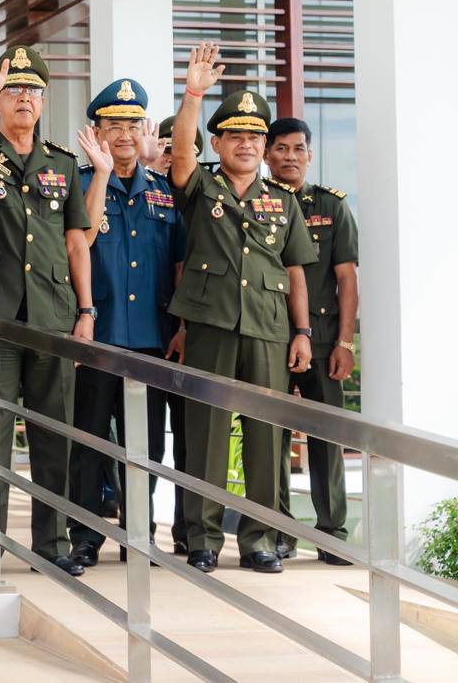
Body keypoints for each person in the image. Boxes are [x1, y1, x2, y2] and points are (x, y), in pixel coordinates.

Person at [168, 42, 317, 574]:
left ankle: (259, 540)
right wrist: (193, 95)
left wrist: (303, 332)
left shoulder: (283, 199)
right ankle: (204, 538)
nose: (248, 144)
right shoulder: (200, 184)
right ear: (218, 142)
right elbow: (179, 156)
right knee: (206, 431)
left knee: (265, 435)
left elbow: (295, 270)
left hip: (269, 328)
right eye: (236, 136)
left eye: (256, 137)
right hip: (211, 323)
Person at [0, 40, 95, 579]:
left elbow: (77, 242)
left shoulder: (62, 163)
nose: (24, 98)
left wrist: (86, 311)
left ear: (43, 100)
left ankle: (52, 544)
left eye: (32, 90)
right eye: (13, 89)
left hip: (53, 313)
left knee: (54, 435)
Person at [67, 79, 186, 567]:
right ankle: (84, 535)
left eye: (132, 125)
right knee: (89, 440)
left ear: (144, 131)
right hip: (99, 335)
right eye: (113, 125)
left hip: (151, 339)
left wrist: (180, 325)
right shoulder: (80, 183)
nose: (123, 134)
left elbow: (178, 264)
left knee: (148, 446)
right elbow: (83, 239)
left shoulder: (162, 192)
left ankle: (139, 533)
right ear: (97, 132)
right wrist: (100, 174)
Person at [264, 117, 357, 566]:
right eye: (281, 148)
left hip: (322, 343)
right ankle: (278, 532)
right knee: (270, 438)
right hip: (268, 338)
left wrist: (346, 343)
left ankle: (332, 534)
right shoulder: (256, 201)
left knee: (328, 439)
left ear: (310, 154)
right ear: (267, 154)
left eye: (298, 148)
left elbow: (347, 279)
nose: (290, 157)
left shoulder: (331, 206)